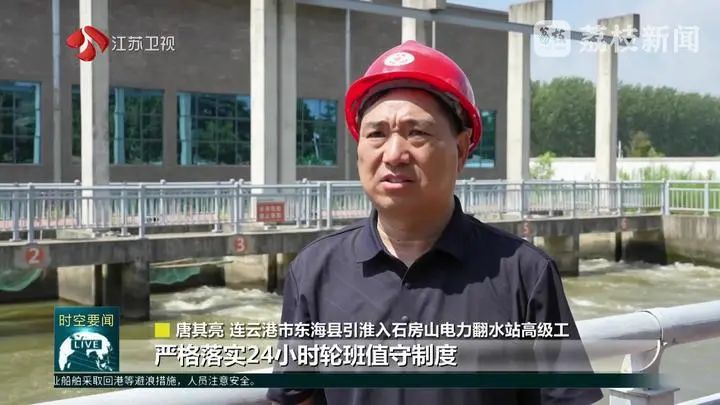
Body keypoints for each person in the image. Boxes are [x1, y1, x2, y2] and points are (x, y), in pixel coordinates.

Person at [267, 40, 602, 405]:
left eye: (417, 133)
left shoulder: (524, 274)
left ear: (461, 149)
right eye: (376, 134)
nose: (394, 154)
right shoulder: (315, 271)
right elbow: (297, 398)